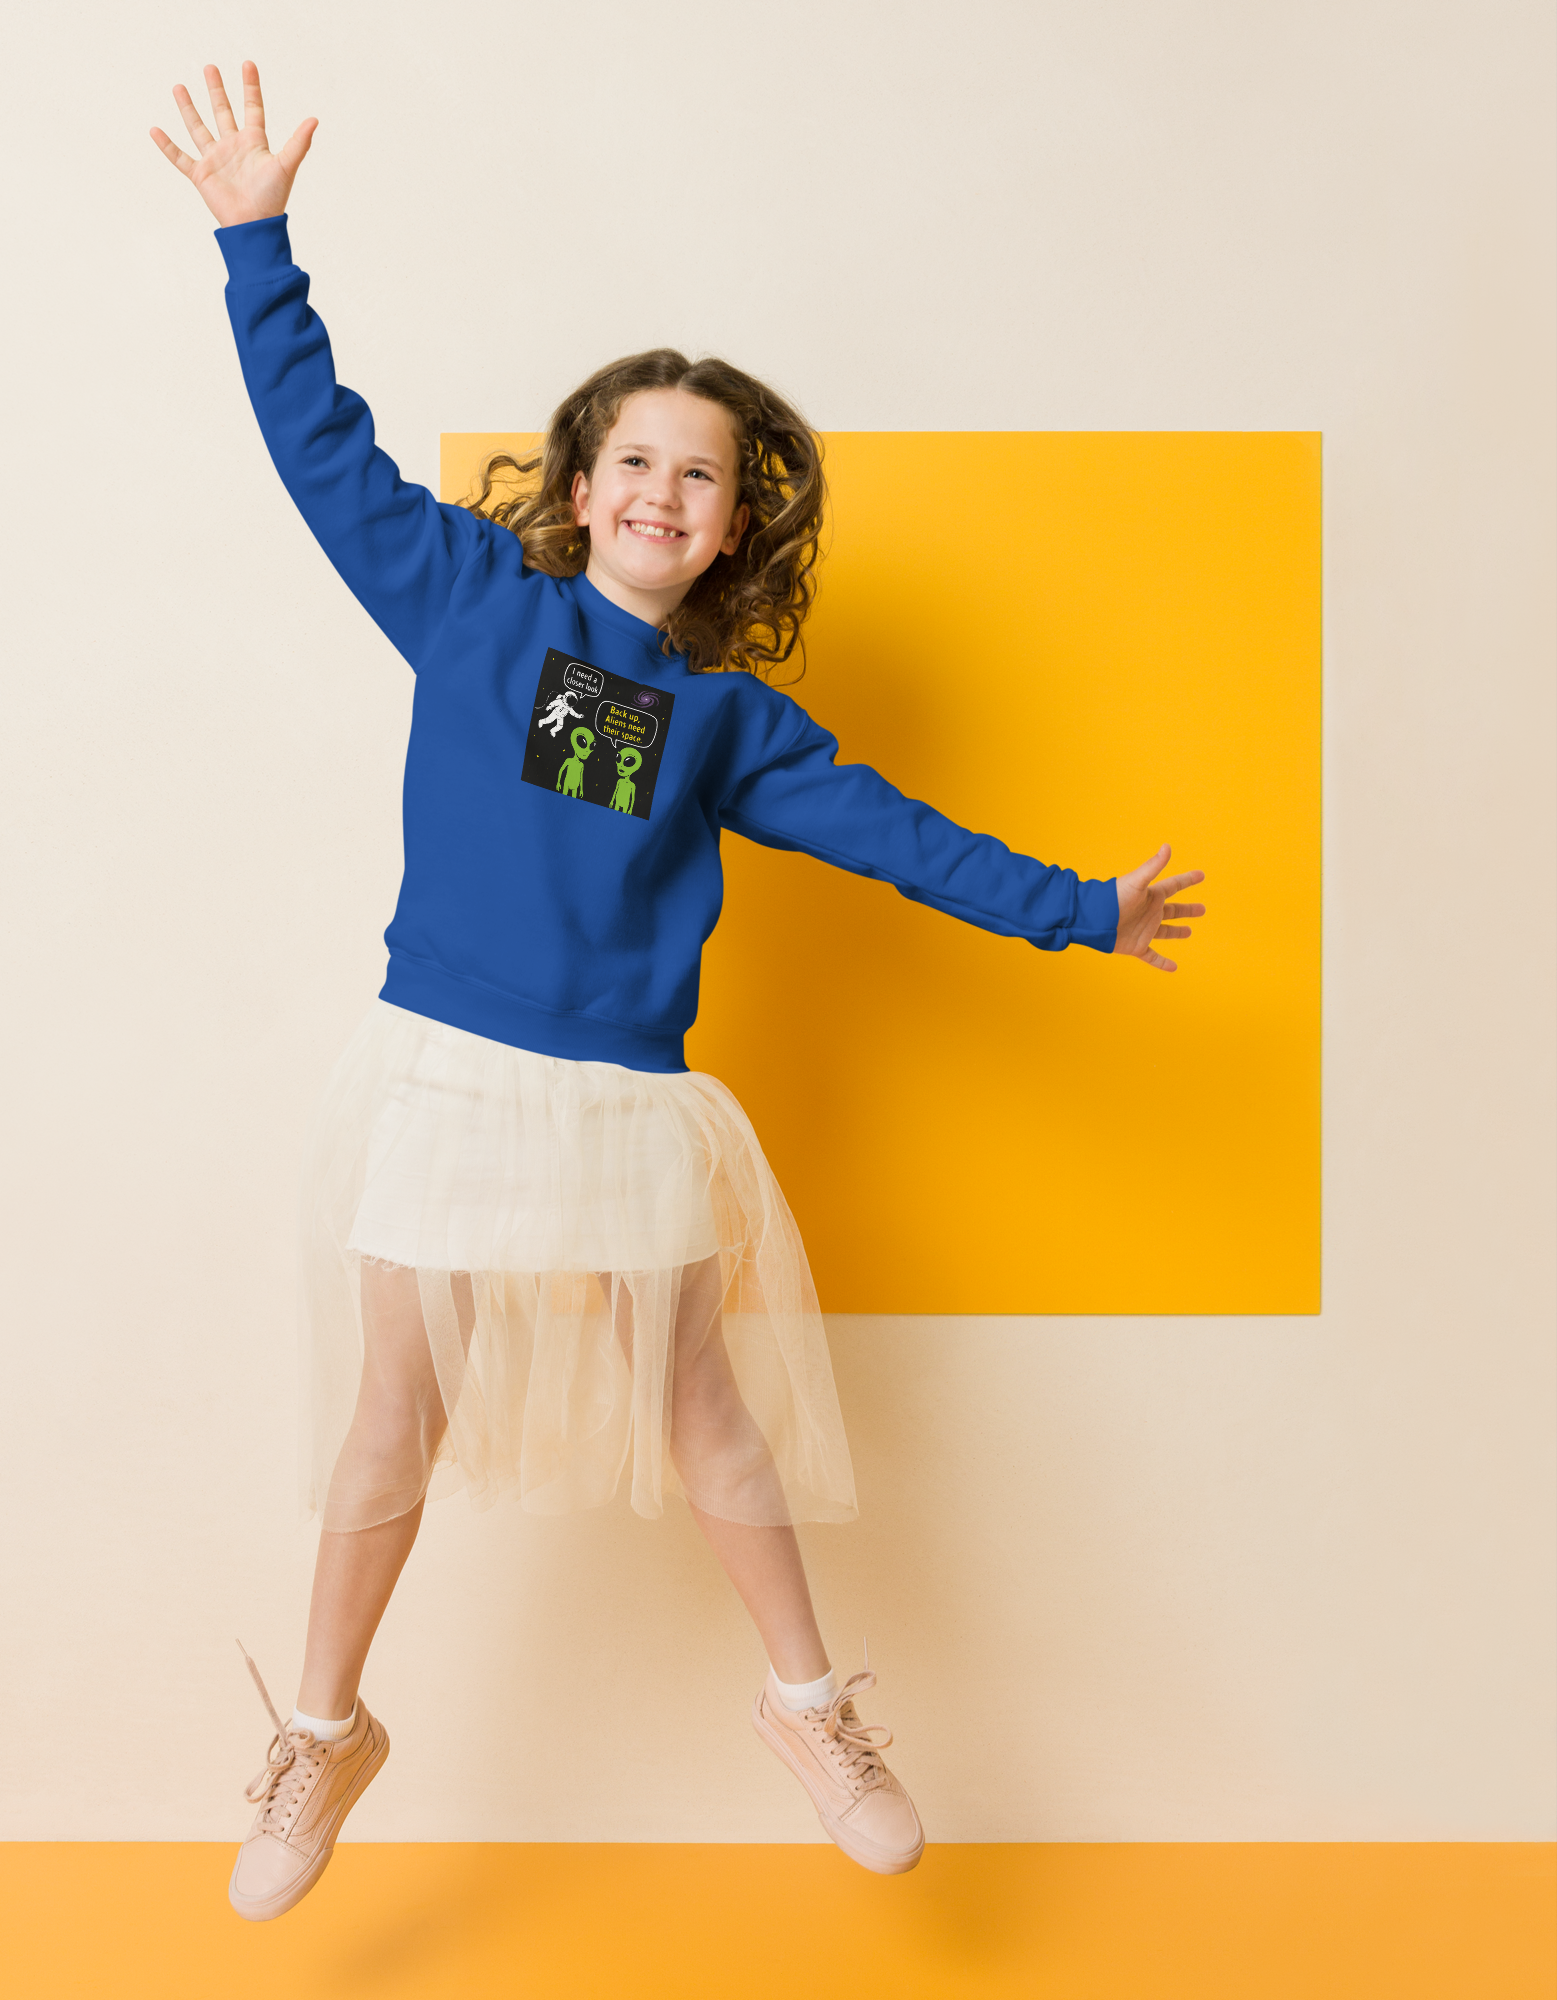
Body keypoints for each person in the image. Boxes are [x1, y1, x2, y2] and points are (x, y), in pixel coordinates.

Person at [148, 60, 1207, 1923]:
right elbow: (321, 446)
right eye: (634, 459)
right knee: (396, 1412)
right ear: (580, 492)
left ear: (730, 530)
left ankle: (810, 1710)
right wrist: (259, 243)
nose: (662, 488)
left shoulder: (727, 724)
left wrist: (1076, 912)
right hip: (445, 1072)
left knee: (704, 1401)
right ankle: (322, 1732)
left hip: (624, 1095)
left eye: (699, 474)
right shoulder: (470, 602)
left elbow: (898, 837)